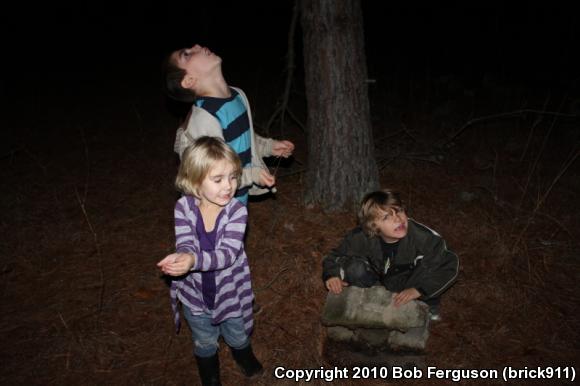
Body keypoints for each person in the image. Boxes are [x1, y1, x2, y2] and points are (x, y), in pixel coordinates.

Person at [157, 137, 262, 385]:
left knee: (236, 333)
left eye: (233, 177)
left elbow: (227, 254)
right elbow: (184, 241)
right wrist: (182, 256)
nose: (229, 186)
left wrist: (192, 260)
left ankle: (244, 358)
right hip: (195, 294)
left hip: (230, 292)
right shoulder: (183, 207)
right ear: (194, 181)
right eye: (218, 179)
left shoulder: (237, 211)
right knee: (204, 339)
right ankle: (210, 378)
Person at [162, 43, 295, 205]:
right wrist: (252, 175)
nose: (196, 46)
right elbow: (212, 176)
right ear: (189, 80)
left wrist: (269, 147)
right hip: (213, 212)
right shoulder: (204, 119)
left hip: (237, 203)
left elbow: (243, 139)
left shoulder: (237, 96)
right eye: (187, 54)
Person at [322, 189, 459, 321]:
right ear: (373, 226)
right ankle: (375, 299)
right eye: (387, 217)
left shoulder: (424, 239)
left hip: (410, 281)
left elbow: (449, 265)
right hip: (380, 277)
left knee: (429, 269)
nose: (398, 219)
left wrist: (419, 290)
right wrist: (332, 275)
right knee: (353, 268)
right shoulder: (361, 236)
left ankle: (430, 306)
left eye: (399, 211)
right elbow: (335, 256)